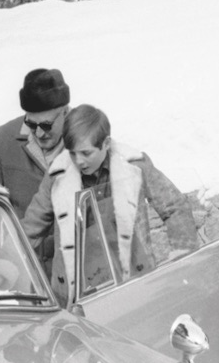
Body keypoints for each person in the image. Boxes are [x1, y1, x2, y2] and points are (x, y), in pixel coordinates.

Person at [21, 104, 199, 304]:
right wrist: (3, 270)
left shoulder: (133, 165)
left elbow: (175, 207)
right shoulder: (57, 175)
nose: (78, 161)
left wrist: (183, 257)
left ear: (105, 143)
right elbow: (30, 230)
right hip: (78, 295)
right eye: (72, 153)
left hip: (133, 282)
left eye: (86, 153)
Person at [0, 68, 71, 270]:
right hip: (26, 269)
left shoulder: (86, 142)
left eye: (47, 125)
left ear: (66, 112)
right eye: (31, 124)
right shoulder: (2, 141)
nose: (39, 132)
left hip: (78, 270)